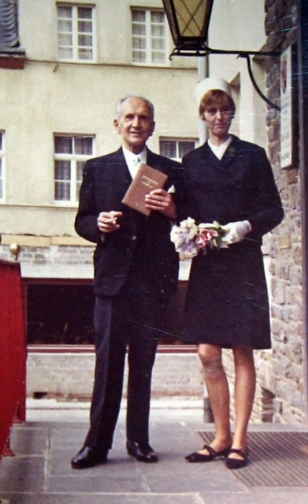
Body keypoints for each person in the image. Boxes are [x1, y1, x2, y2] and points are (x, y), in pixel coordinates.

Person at [71, 95, 182, 469]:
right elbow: (82, 220)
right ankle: (96, 445)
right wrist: (99, 226)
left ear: (152, 126)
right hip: (112, 283)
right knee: (107, 365)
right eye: (129, 117)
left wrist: (172, 209)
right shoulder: (97, 168)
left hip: (152, 282)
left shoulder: (171, 170)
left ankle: (139, 440)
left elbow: (189, 218)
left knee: (143, 364)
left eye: (143, 117)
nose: (136, 123)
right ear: (116, 124)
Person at [178, 77, 284, 469]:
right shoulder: (192, 162)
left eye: (224, 109)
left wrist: (246, 226)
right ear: (203, 115)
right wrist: (187, 234)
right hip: (209, 265)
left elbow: (274, 210)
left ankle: (239, 440)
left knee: (242, 349)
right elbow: (185, 212)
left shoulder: (252, 156)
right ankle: (219, 436)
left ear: (232, 112)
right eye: (211, 110)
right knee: (207, 352)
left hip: (242, 263)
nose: (219, 117)